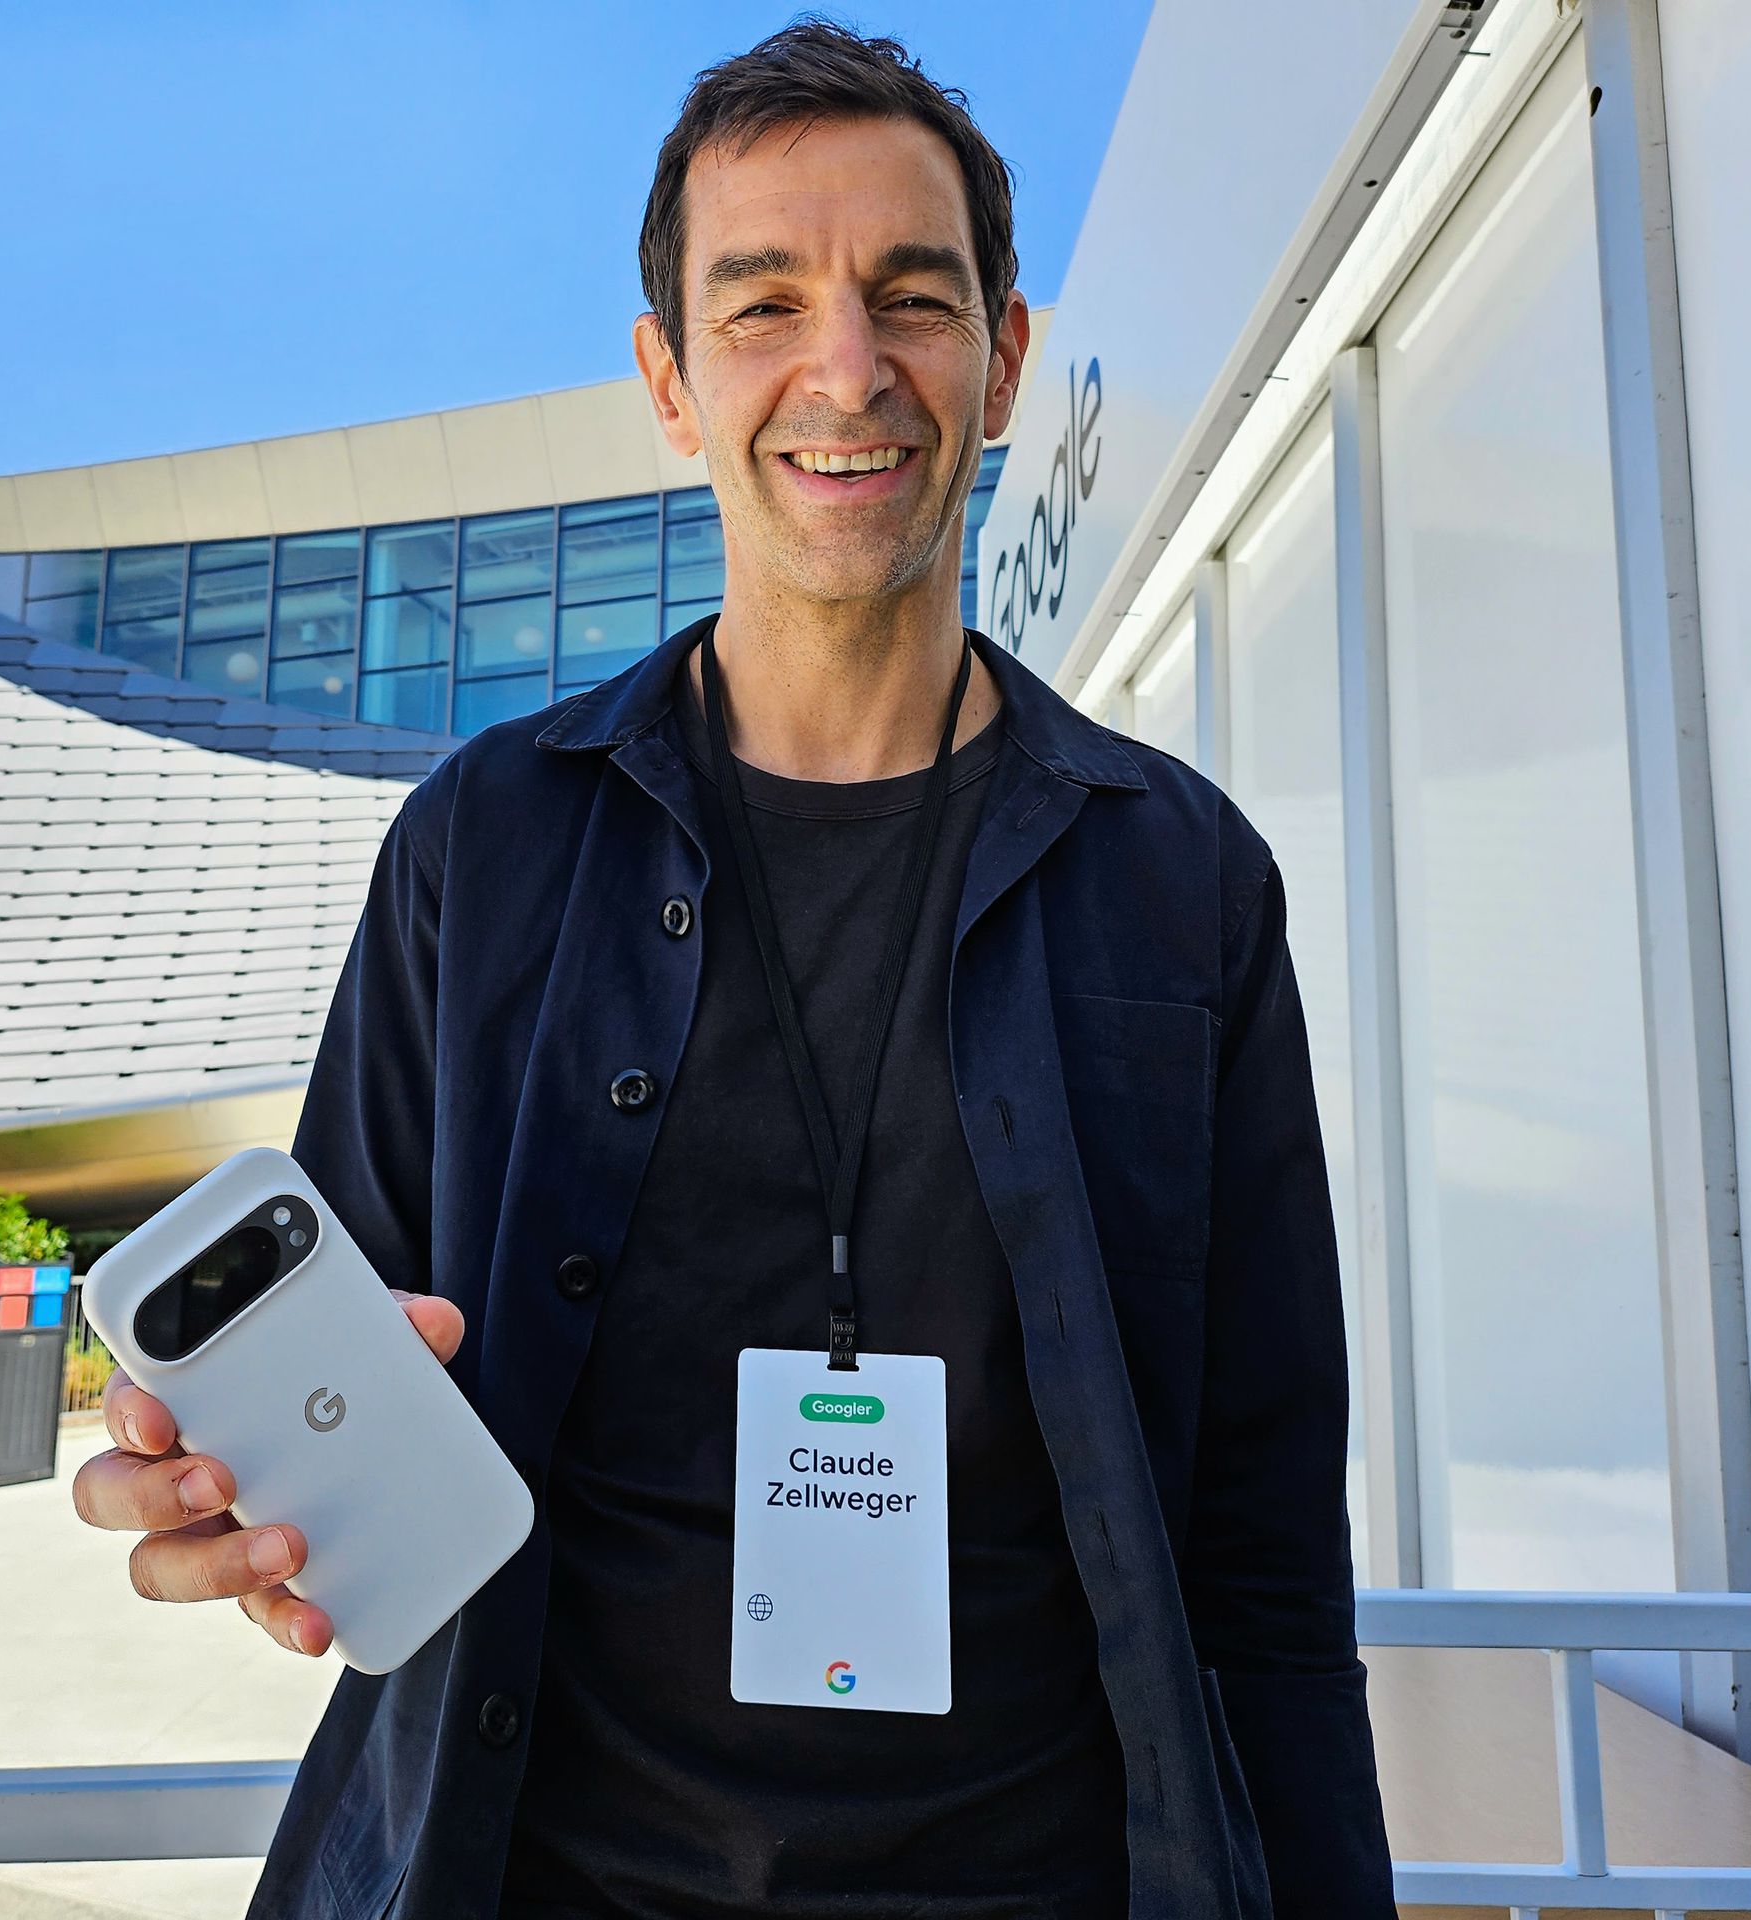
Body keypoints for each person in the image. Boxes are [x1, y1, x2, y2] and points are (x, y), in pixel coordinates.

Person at [74, 21, 1391, 1918]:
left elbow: (1270, 1567)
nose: (844, 370)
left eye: (912, 299)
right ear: (673, 383)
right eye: (761, 303)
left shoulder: (1182, 884)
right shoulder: (480, 848)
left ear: (1003, 360)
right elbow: (325, 1371)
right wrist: (223, 1499)